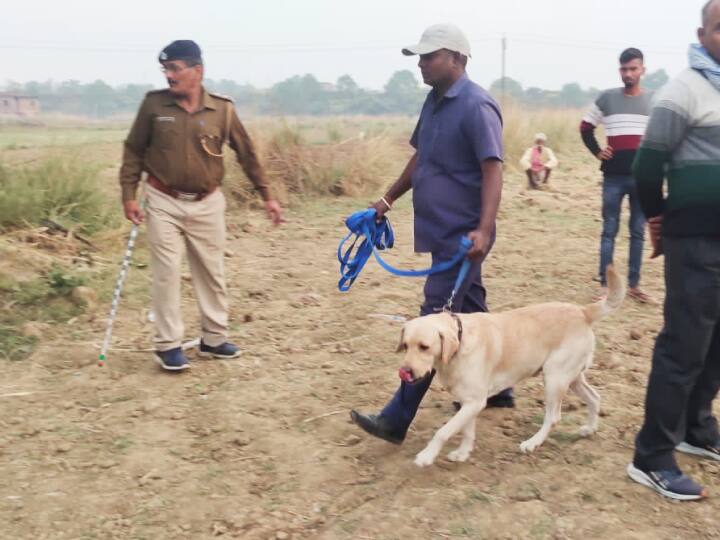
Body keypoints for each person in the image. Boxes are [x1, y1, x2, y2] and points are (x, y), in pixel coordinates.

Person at [350, 23, 512, 445]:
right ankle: (499, 388)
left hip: (463, 235)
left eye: (429, 56)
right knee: (471, 307)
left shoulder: (477, 106)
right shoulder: (434, 101)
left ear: (456, 58)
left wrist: (483, 228)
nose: (420, 64)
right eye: (419, 57)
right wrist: (386, 200)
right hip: (439, 231)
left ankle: (396, 418)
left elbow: (493, 168)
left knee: (434, 324)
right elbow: (421, 158)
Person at [119, 40, 284, 371]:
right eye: (165, 69)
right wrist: (129, 195)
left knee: (211, 272)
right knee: (167, 272)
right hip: (163, 199)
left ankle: (214, 339)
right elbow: (134, 149)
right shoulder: (154, 106)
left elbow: (247, 153)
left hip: (208, 203)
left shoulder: (222, 110)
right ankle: (168, 345)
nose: (169, 75)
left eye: (175, 68)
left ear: (198, 71)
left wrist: (267, 195)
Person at [627, 0, 720, 501]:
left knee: (716, 341)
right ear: (702, 33)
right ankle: (653, 455)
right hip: (696, 240)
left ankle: (696, 427)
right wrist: (658, 218)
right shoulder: (682, 91)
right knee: (684, 345)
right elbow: (647, 167)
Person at [580, 48, 653, 303]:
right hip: (613, 177)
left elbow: (661, 136)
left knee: (638, 232)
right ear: (619, 70)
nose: (628, 74)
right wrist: (598, 152)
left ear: (643, 69)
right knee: (609, 230)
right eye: (624, 69)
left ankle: (634, 285)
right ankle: (605, 285)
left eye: (633, 69)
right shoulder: (607, 99)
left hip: (642, 177)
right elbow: (585, 127)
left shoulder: (654, 101)